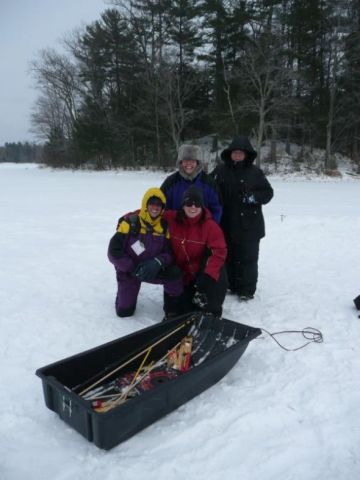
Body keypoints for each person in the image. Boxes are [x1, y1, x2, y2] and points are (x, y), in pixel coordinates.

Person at [211, 135, 273, 300]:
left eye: (241, 153)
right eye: (234, 152)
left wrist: (251, 197)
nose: (237, 155)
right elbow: (207, 187)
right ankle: (230, 284)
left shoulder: (255, 173)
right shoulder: (220, 171)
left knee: (248, 258)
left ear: (247, 154)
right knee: (227, 256)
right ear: (229, 153)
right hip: (226, 223)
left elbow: (268, 193)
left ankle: (246, 290)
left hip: (250, 225)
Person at [108, 188, 183, 318]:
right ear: (145, 205)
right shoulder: (130, 223)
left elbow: (169, 254)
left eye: (159, 205)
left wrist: (157, 262)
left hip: (151, 270)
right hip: (129, 271)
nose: (155, 207)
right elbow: (113, 252)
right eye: (152, 203)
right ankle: (123, 295)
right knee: (124, 312)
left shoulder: (163, 227)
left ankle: (172, 308)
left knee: (174, 274)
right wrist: (132, 268)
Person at [163, 185, 228, 319]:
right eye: (189, 203)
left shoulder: (210, 226)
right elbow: (151, 213)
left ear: (202, 205)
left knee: (218, 272)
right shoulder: (172, 218)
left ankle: (212, 312)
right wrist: (128, 218)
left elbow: (219, 251)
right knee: (183, 311)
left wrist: (208, 276)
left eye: (197, 203)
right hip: (182, 275)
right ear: (183, 205)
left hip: (201, 275)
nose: (193, 207)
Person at [160, 144, 222, 223]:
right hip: (176, 231)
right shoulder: (170, 182)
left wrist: (209, 227)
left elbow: (217, 209)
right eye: (185, 160)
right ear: (181, 162)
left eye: (192, 161)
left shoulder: (209, 183)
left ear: (198, 163)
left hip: (201, 231)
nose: (188, 164)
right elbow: (162, 207)